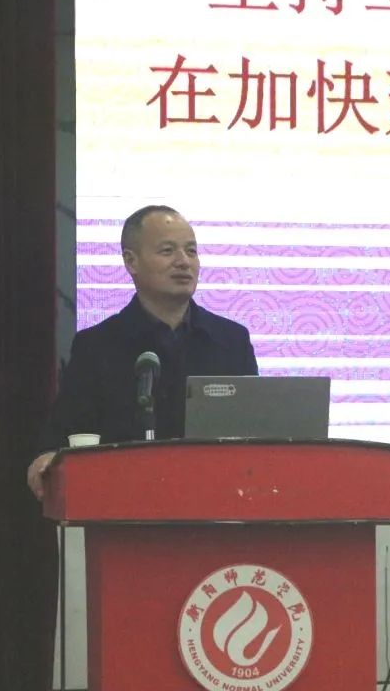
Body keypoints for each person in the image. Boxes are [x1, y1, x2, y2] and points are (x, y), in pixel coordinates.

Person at [26, 205, 258, 499]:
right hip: (124, 503)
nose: (183, 261)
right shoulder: (97, 345)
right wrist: (47, 459)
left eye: (191, 251)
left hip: (216, 501)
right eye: (167, 251)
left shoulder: (231, 341)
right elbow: (64, 436)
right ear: (131, 261)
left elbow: (255, 435)